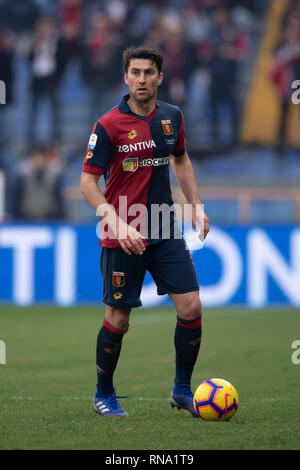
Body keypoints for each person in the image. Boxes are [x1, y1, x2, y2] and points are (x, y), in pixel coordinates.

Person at [81, 46, 210, 418]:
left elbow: (181, 159)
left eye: (148, 73)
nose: (141, 79)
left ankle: (182, 391)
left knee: (191, 306)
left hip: (164, 228)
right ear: (126, 77)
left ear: (159, 77)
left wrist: (195, 204)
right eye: (135, 72)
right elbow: (88, 183)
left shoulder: (172, 117)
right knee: (119, 318)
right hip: (122, 233)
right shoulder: (107, 125)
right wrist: (115, 221)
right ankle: (103, 393)